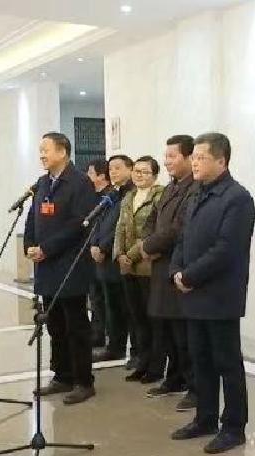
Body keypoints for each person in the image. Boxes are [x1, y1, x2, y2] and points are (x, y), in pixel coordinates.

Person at [169, 133, 255, 455]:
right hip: (193, 294)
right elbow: (182, 239)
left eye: (201, 158)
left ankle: (233, 427)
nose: (195, 163)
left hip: (220, 296)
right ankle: (204, 418)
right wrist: (176, 271)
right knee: (201, 360)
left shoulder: (237, 198)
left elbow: (226, 249)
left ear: (222, 160)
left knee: (227, 364)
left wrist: (189, 276)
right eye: (193, 157)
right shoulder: (197, 193)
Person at [25, 132, 97, 405]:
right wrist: (30, 245)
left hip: (70, 265)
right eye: (40, 150)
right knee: (54, 323)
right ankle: (62, 375)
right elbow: (33, 217)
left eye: (46, 150)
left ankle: (83, 381)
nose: (42, 155)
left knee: (75, 325)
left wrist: (47, 248)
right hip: (46, 266)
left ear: (63, 151)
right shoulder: (43, 182)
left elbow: (78, 224)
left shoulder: (80, 183)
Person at [141, 135, 199, 411]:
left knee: (184, 335)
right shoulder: (169, 188)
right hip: (159, 266)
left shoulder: (194, 189)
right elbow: (152, 221)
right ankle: (174, 378)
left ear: (188, 158)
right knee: (168, 331)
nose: (167, 162)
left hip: (177, 266)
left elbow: (178, 229)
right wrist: (146, 244)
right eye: (165, 156)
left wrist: (150, 247)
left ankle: (194, 385)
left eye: (172, 156)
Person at [114, 156, 164, 383]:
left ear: (155, 175)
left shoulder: (160, 196)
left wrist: (132, 255)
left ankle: (155, 367)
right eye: (136, 171)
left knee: (152, 319)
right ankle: (141, 363)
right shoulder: (129, 197)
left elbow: (152, 232)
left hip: (146, 265)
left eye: (145, 172)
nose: (139, 175)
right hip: (127, 267)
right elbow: (120, 227)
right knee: (137, 319)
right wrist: (119, 255)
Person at [91, 155, 135, 365]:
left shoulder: (131, 194)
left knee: (127, 308)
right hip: (103, 260)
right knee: (111, 307)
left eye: (118, 168)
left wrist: (104, 247)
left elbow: (120, 226)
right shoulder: (111, 194)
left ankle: (133, 351)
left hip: (118, 257)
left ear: (130, 169)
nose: (113, 172)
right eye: (111, 169)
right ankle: (114, 347)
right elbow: (100, 222)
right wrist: (94, 243)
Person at [86, 159, 110, 348]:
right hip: (90, 251)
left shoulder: (109, 197)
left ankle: (102, 333)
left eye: (91, 173)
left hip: (104, 254)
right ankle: (96, 331)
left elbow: (106, 226)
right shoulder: (91, 196)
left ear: (101, 176)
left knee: (103, 298)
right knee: (94, 296)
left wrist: (100, 246)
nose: (88, 176)